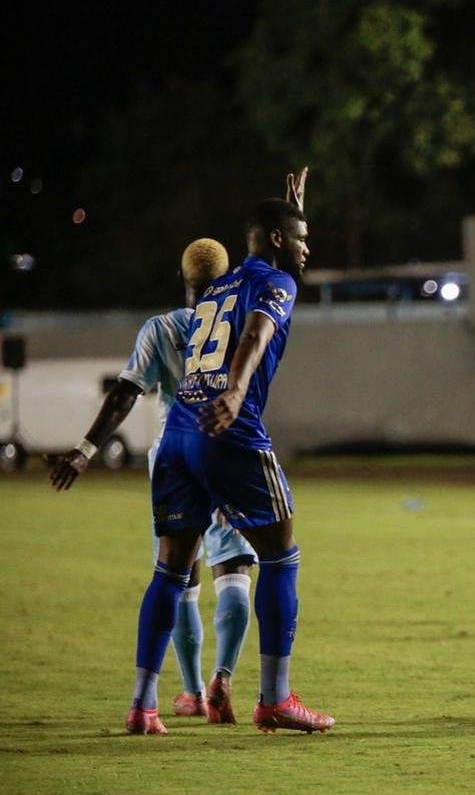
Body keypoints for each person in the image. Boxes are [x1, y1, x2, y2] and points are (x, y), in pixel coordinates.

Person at [127, 186, 334, 735]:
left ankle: (142, 706)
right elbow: (257, 332)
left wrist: (294, 212)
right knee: (281, 554)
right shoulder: (277, 281)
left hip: (177, 435)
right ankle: (275, 699)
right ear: (275, 240)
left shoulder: (219, 285)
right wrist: (239, 389)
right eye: (300, 238)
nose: (306, 249)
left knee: (171, 570)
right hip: (229, 429)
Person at [50, 239, 257, 724]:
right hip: (228, 449)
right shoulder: (240, 327)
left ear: (183, 280)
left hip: (175, 455)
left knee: (177, 576)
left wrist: (85, 451)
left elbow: (126, 392)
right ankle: (222, 677)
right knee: (234, 571)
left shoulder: (161, 328)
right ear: (225, 279)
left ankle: (187, 692)